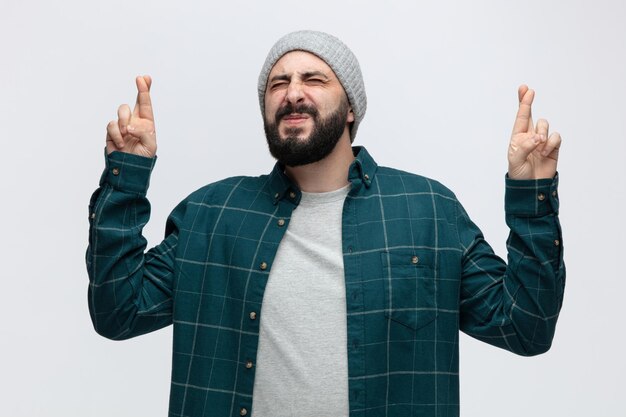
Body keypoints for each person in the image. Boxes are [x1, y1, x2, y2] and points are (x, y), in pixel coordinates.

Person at [87, 30, 564, 417]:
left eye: (313, 78)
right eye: (278, 84)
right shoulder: (215, 214)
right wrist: (125, 177)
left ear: (351, 106)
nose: (293, 93)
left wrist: (532, 197)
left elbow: (526, 327)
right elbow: (118, 311)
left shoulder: (427, 210)